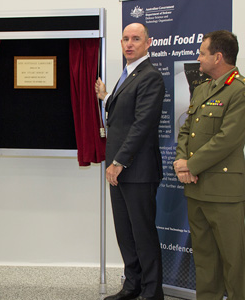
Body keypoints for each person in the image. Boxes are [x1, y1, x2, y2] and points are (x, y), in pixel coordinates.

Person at [95, 23, 165, 300]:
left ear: (149, 43)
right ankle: (132, 285)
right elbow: (124, 114)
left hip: (137, 169)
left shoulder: (151, 76)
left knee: (143, 234)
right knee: (125, 233)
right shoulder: (128, 74)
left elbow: (142, 124)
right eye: (125, 38)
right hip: (119, 170)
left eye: (136, 39)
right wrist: (107, 97)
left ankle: (151, 291)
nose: (129, 43)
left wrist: (119, 161)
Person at [174, 30, 245, 300]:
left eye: (202, 53)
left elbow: (228, 139)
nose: (198, 57)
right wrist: (183, 163)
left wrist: (191, 166)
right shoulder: (202, 89)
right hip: (197, 188)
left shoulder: (239, 91)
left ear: (218, 57)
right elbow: (186, 131)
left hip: (224, 191)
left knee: (234, 262)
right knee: (204, 261)